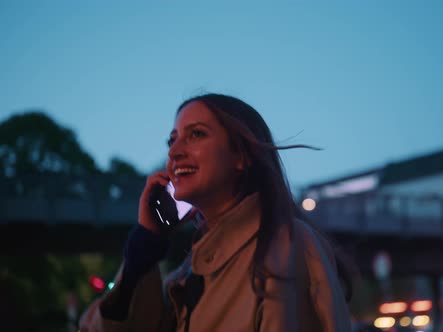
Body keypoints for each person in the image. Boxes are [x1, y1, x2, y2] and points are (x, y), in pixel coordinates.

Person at [79, 93, 353, 332]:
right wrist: (146, 242)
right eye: (171, 140)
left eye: (196, 134)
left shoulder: (286, 244)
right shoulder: (185, 276)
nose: (174, 152)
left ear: (241, 157)